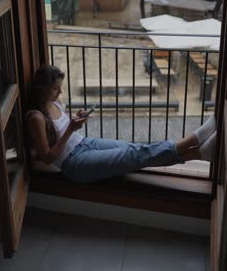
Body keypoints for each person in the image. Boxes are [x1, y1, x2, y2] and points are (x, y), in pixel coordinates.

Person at [26, 64, 217, 183]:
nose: (59, 93)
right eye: (55, 89)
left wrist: (75, 119)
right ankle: (195, 140)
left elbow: (63, 129)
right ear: (42, 89)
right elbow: (47, 157)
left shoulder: (55, 102)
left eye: (60, 88)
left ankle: (199, 152)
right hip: (73, 164)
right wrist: (69, 129)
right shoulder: (36, 117)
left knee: (135, 149)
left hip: (84, 143)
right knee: (133, 155)